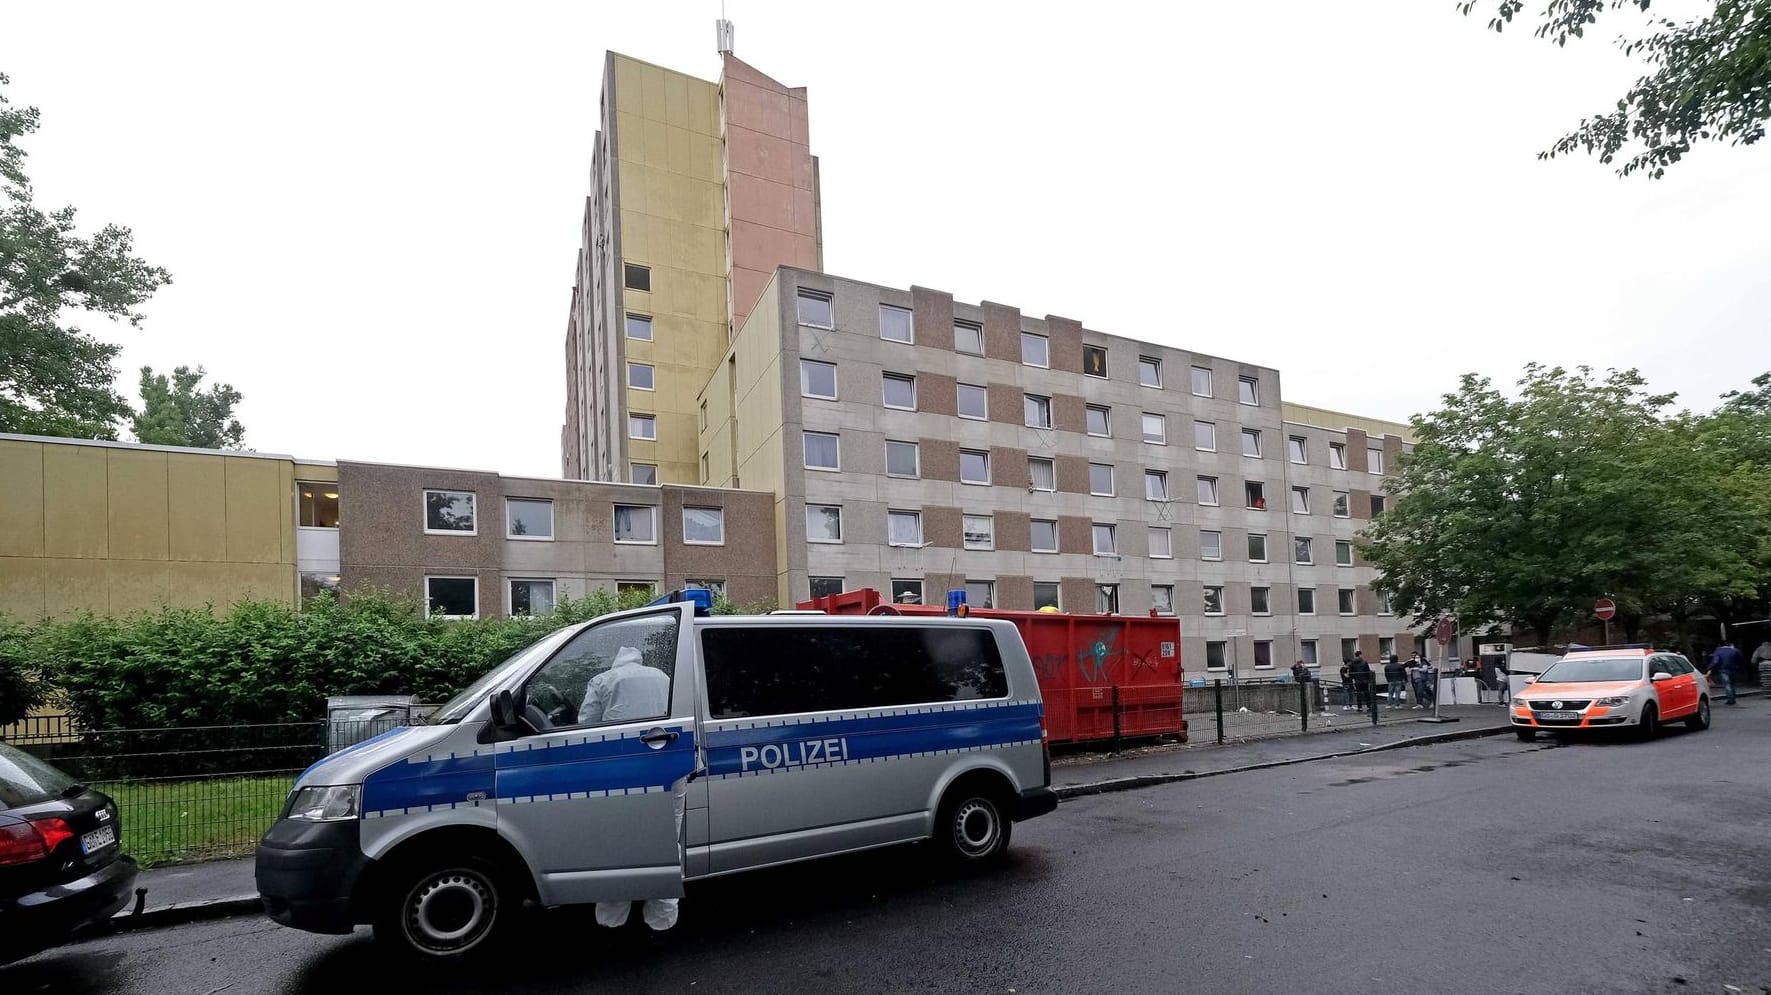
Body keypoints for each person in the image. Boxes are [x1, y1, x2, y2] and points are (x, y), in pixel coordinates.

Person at [583, 644, 682, 933]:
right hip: (668, 766)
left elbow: (585, 725)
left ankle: (612, 919)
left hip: (620, 769)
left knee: (617, 842)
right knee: (665, 840)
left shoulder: (602, 680)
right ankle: (661, 919)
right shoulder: (664, 677)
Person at [578, 646, 671, 725]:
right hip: (660, 733)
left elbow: (588, 719)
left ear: (616, 660)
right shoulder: (661, 675)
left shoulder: (602, 680)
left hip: (616, 737)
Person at [1710, 639, 1744, 706]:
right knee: (1732, 684)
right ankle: (1733, 698)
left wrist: (1710, 667)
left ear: (1719, 645)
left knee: (1727, 684)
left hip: (1723, 670)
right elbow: (1741, 659)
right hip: (1733, 669)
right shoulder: (1735, 650)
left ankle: (1730, 699)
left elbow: (1715, 661)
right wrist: (1738, 666)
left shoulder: (1718, 651)